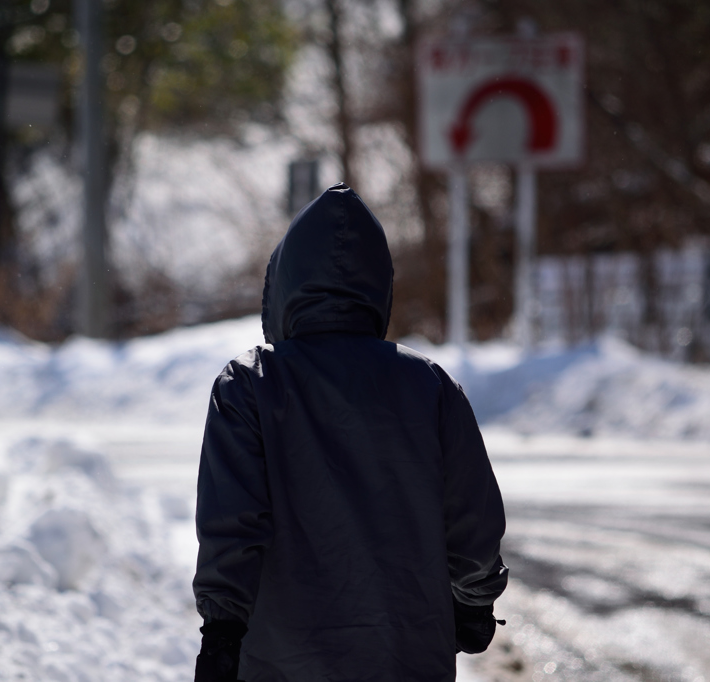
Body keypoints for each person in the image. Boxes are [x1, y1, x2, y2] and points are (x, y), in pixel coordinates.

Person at [192, 183, 508, 682]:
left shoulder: (251, 384)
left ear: (283, 285)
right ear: (378, 286)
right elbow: (471, 519)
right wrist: (473, 600)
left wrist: (222, 632)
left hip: (283, 660)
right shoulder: (428, 384)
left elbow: (232, 521)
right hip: (407, 657)